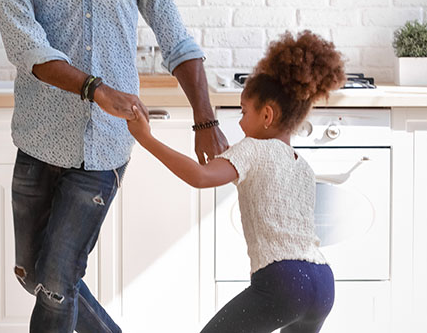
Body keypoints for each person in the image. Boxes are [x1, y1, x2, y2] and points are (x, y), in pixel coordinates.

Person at [0, 0, 228, 333]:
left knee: (56, 282)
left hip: (105, 150)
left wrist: (205, 119)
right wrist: (96, 89)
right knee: (38, 276)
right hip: (38, 142)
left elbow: (177, 41)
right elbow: (28, 48)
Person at [127, 30, 342, 333]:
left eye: (244, 112)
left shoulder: (253, 149)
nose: (240, 122)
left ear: (267, 115)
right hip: (323, 282)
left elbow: (201, 177)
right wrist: (228, 156)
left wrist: (145, 138)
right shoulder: (301, 166)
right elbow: (266, 190)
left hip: (284, 282)